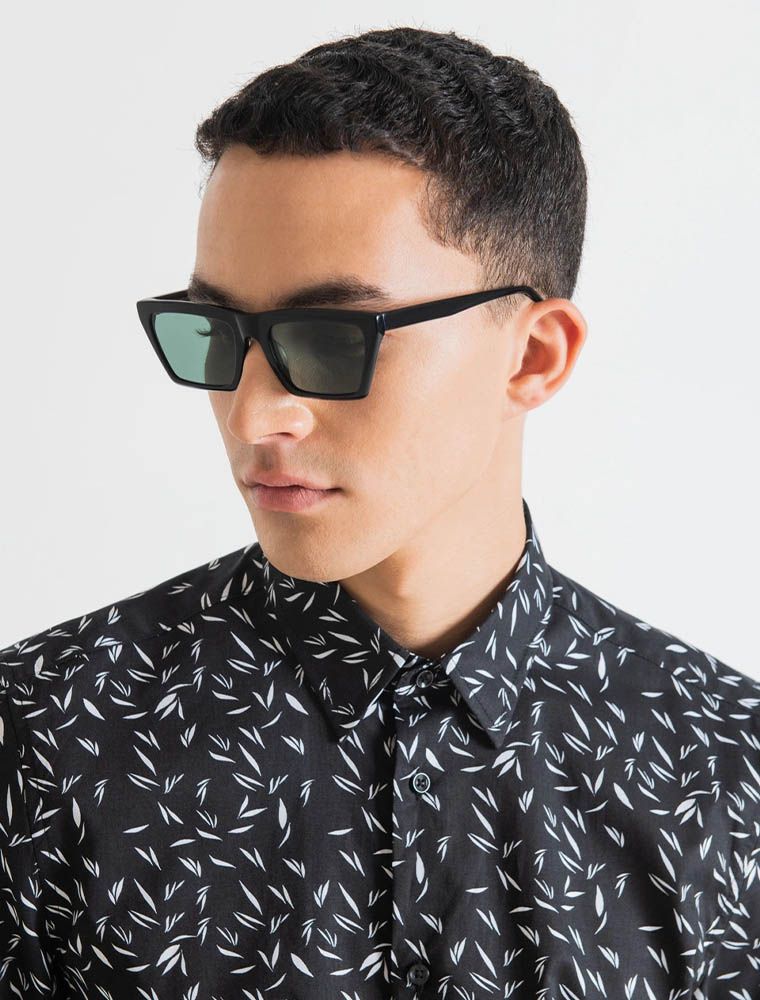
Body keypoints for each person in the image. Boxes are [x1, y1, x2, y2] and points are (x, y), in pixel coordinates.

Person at [1, 25, 758, 1000]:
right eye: (219, 332)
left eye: (332, 338)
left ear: (533, 357)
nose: (256, 415)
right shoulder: (43, 737)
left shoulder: (726, 776)